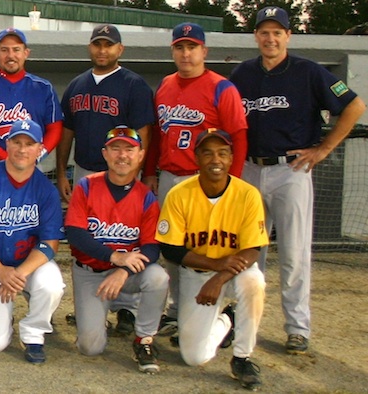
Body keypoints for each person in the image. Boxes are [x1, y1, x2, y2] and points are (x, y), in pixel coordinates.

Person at [229, 6, 366, 355]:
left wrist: (323, 149)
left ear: (288, 36)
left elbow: (354, 106)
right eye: (264, 32)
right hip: (248, 169)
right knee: (247, 253)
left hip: (291, 171)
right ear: (256, 36)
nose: (270, 38)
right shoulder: (242, 74)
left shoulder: (309, 72)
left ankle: (297, 328)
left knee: (293, 254)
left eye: (277, 32)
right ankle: (245, 323)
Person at [144, 22, 248, 336]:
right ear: (173, 50)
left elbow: (239, 138)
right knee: (173, 248)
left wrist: (233, 184)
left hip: (205, 181)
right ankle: (176, 310)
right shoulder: (165, 85)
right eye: (180, 47)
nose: (186, 53)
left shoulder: (221, 87)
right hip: (171, 177)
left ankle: (222, 310)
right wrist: (150, 171)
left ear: (204, 51)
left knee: (212, 248)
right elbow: (159, 137)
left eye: (192, 47)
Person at [55, 24, 156, 335]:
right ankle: (92, 302)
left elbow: (144, 134)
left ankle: (126, 308)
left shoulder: (134, 85)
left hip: (122, 172)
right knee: (94, 238)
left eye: (108, 45)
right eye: (97, 44)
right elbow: (66, 132)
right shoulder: (76, 85)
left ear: (119, 50)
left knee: (126, 237)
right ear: (90, 47)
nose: (102, 50)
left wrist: (137, 174)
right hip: (86, 171)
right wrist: (61, 170)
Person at [155, 129, 268, 391]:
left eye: (222, 153)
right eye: (207, 153)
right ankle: (229, 319)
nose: (215, 159)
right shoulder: (179, 193)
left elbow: (253, 249)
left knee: (254, 282)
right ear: (196, 158)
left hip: (236, 270)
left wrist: (219, 277)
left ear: (231, 158)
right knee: (194, 357)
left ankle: (242, 357)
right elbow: (170, 249)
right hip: (198, 272)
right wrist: (216, 267)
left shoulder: (247, 194)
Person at [0, 119, 64, 364]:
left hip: (27, 266)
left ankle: (34, 333)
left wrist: (17, 273)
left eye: (30, 143)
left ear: (40, 149)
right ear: (7, 144)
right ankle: (1, 319)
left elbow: (51, 243)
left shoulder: (45, 189)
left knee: (51, 285)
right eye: (17, 142)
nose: (22, 149)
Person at [64, 126, 167, 373]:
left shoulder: (146, 197)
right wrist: (114, 256)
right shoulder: (86, 186)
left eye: (129, 149)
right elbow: (75, 233)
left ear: (140, 155)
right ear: (105, 154)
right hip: (90, 272)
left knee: (158, 277)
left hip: (126, 276)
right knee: (90, 347)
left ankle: (144, 339)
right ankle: (100, 316)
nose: (122, 155)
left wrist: (122, 271)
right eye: (115, 149)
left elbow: (152, 247)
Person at [0, 28, 63, 165]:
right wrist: (4, 157)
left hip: (30, 164)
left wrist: (38, 155)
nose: (11, 55)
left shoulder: (44, 88)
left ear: (26, 53)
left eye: (16, 50)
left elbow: (55, 128)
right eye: (4, 50)